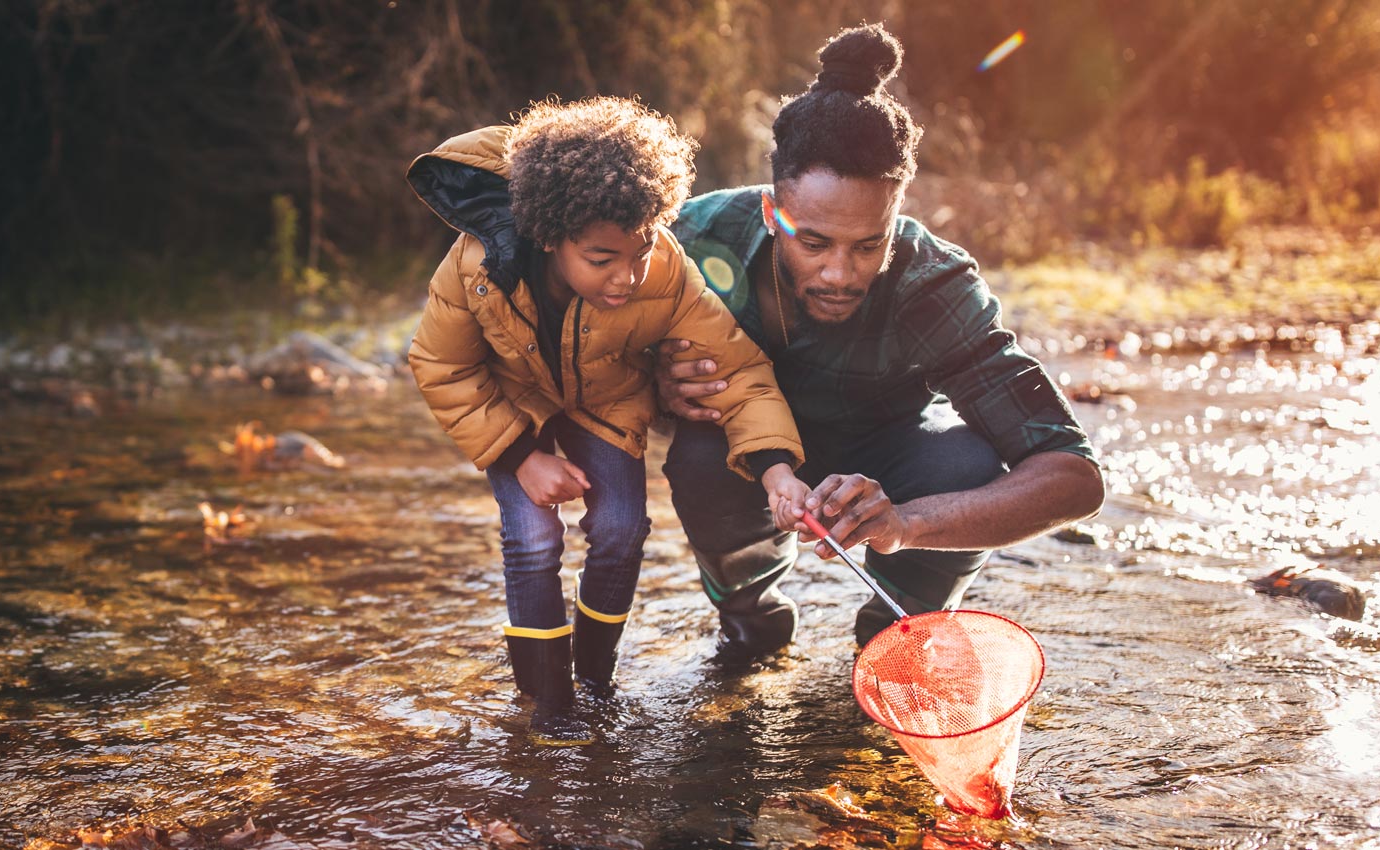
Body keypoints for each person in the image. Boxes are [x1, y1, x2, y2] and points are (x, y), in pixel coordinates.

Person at [656, 24, 1106, 657]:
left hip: (893, 456)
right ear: (769, 212)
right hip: (743, 455)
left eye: (869, 244)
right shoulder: (692, 240)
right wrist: (656, 386)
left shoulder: (935, 283)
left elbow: (1075, 477)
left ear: (897, 213)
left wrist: (907, 524)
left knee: (968, 465)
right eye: (812, 242)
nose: (840, 274)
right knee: (696, 457)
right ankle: (750, 617)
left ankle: (894, 640)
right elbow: (581, 351)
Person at [406, 97, 806, 746]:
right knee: (532, 538)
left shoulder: (665, 270)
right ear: (548, 236)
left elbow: (738, 369)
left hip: (608, 401)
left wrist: (776, 468)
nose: (626, 277)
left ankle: (594, 680)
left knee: (622, 529)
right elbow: (439, 365)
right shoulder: (476, 267)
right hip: (515, 409)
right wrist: (518, 458)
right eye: (601, 259)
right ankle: (548, 699)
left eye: (639, 251)